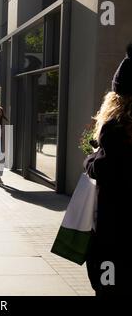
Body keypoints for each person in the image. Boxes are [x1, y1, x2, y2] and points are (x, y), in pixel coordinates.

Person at [84, 44, 132, 297]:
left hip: (115, 230)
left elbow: (104, 168)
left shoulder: (117, 128)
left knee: (109, 285)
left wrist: (90, 159)